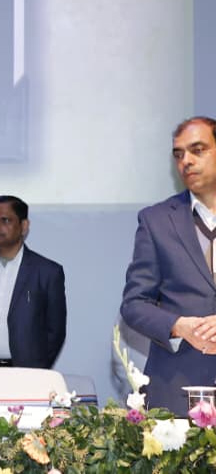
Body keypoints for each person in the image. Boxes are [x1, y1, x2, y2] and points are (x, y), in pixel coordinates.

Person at [122, 116, 216, 415]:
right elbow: (134, 304)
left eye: (197, 150)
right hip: (177, 388)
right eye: (179, 154)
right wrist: (178, 326)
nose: (186, 161)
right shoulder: (156, 220)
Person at [0, 195, 67, 369]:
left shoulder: (47, 272)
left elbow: (55, 331)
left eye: (5, 220)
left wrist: (37, 367)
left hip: (22, 372)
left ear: (24, 226)